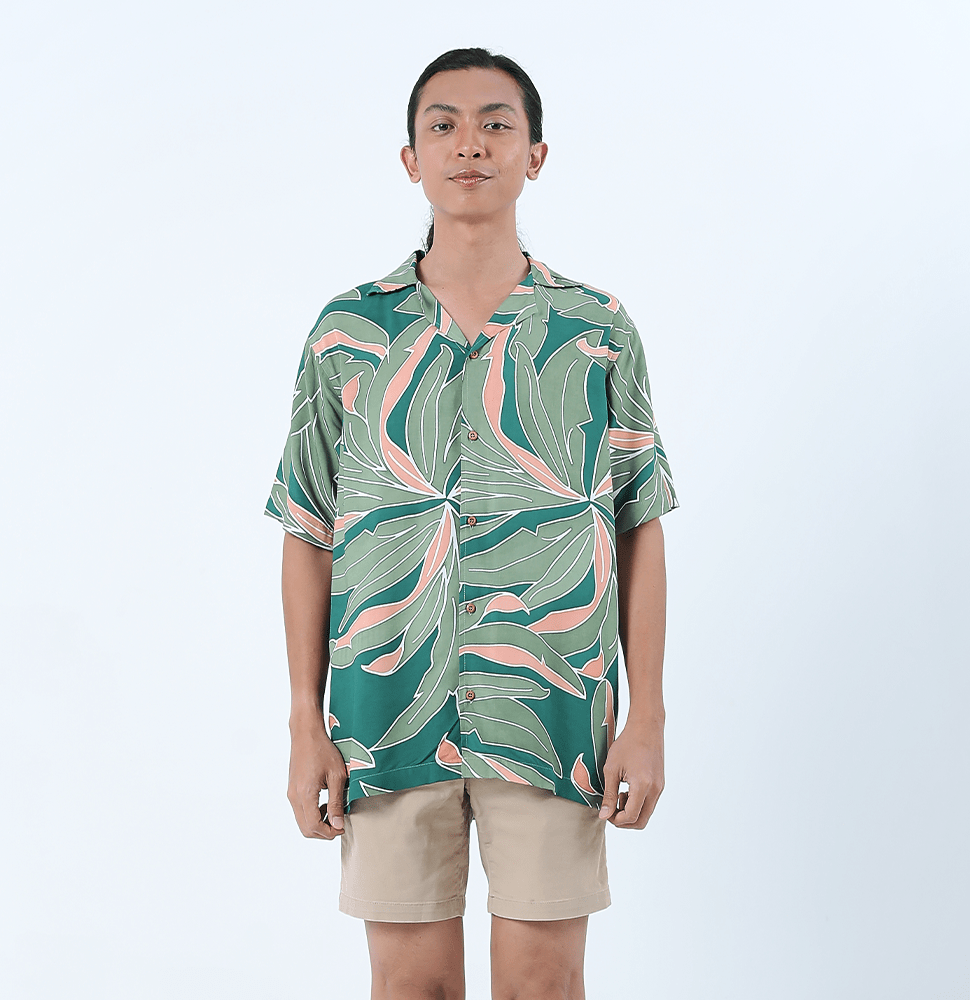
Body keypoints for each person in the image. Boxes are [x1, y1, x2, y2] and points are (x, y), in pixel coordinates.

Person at [265, 46, 679, 1000]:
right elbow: (306, 528)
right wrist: (303, 722)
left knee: (544, 982)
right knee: (408, 984)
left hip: (551, 711)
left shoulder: (595, 329)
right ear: (410, 158)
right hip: (384, 713)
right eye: (443, 126)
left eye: (497, 124)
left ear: (536, 154)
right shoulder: (348, 333)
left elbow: (640, 523)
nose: (470, 145)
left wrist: (647, 714)